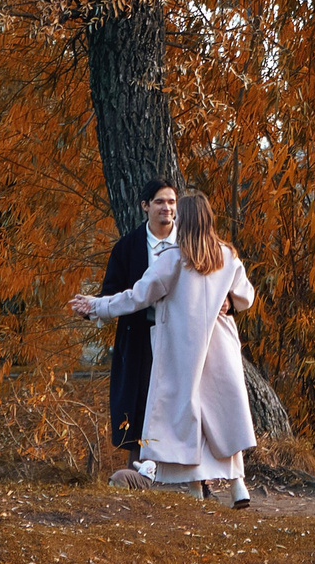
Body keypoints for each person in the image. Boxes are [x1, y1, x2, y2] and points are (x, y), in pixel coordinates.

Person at [73, 190, 257, 505]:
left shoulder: (173, 258)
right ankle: (236, 485)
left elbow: (136, 296)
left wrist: (96, 306)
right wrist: (229, 301)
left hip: (182, 351)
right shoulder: (226, 256)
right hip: (220, 349)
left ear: (182, 220)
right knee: (221, 415)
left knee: (185, 416)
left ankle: (192, 484)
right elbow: (247, 295)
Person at [93, 180, 179, 475]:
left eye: (171, 202)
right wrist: (95, 308)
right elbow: (111, 292)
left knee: (183, 400)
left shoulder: (190, 245)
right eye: (159, 202)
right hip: (140, 336)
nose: (166, 208)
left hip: (183, 337)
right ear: (145, 206)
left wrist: (229, 303)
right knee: (139, 399)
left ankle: (190, 473)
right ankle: (136, 471)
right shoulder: (127, 248)